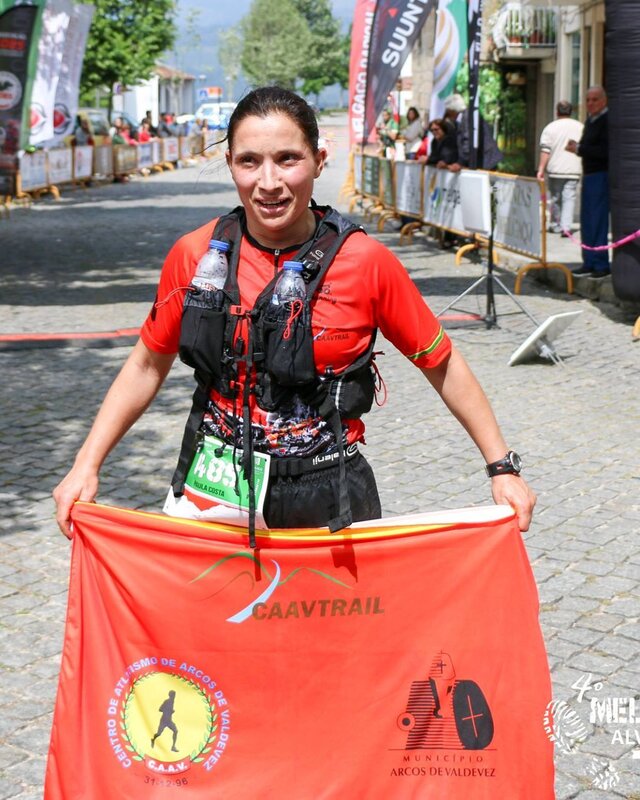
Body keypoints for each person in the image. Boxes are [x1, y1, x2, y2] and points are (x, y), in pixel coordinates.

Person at [53, 86, 535, 542]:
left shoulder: (366, 262)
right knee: (199, 606)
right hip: (214, 485)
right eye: (249, 161)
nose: (269, 183)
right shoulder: (195, 255)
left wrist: (502, 468)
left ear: (319, 161)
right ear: (230, 164)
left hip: (327, 493)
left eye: (288, 159)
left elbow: (441, 362)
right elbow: (145, 365)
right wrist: (85, 465)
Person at [565, 86, 610, 278]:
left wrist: (579, 149)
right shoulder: (591, 121)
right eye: (588, 100)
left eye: (595, 99)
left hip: (601, 174)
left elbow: (604, 151)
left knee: (598, 220)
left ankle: (600, 263)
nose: (590, 103)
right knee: (588, 220)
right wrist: (579, 148)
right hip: (590, 174)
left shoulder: (607, 121)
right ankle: (589, 261)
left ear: (603, 101)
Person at [536, 101, 583, 236]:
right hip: (574, 169)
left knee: (556, 198)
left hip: (555, 169)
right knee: (569, 197)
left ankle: (556, 224)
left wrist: (541, 169)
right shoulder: (580, 127)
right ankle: (566, 227)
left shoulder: (550, 128)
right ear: (571, 112)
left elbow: (546, 150)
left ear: (557, 112)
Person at [443, 93, 502, 172]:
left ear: (452, 110)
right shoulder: (466, 116)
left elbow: (468, 140)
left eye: (448, 111)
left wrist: (460, 163)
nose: (447, 113)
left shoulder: (468, 116)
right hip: (484, 159)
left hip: (486, 160)